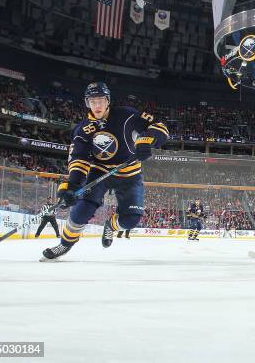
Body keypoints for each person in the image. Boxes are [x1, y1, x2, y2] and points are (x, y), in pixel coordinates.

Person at [41, 82, 168, 261]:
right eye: (93, 101)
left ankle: (111, 226)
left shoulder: (126, 115)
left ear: (108, 100)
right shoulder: (82, 130)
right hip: (99, 172)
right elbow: (79, 159)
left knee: (131, 219)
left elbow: (159, 125)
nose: (97, 105)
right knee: (80, 211)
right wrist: (71, 186)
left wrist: (147, 140)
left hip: (129, 173)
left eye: (101, 100)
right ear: (87, 103)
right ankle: (64, 244)